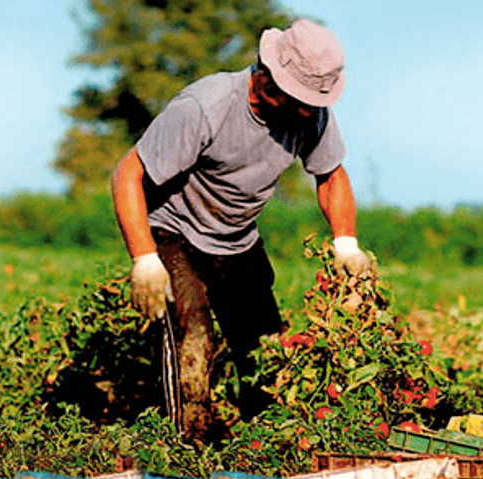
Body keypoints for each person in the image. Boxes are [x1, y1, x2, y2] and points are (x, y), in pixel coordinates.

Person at [110, 18, 371, 442]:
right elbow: (127, 175)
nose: (308, 112)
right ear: (268, 80)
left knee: (267, 351)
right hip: (174, 230)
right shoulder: (205, 107)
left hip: (235, 238)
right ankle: (188, 450)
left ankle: (265, 445)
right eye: (299, 100)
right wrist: (144, 258)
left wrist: (346, 242)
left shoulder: (312, 115)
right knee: (193, 340)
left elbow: (331, 176)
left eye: (312, 102)